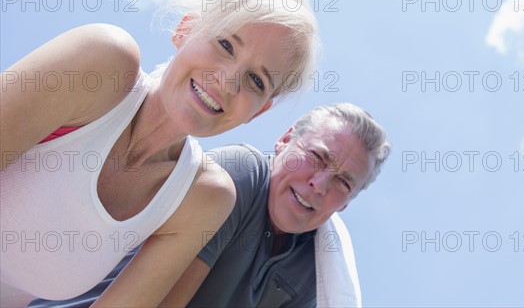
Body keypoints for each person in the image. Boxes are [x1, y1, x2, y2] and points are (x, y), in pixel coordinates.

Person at [0, 0, 320, 307]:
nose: (228, 81)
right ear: (185, 29)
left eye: (256, 81)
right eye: (225, 44)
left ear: (257, 112)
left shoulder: (204, 197)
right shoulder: (102, 62)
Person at [29, 103, 391, 307]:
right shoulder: (240, 174)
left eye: (343, 182)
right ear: (283, 142)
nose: (318, 185)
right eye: (316, 157)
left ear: (347, 204)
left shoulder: (315, 269)